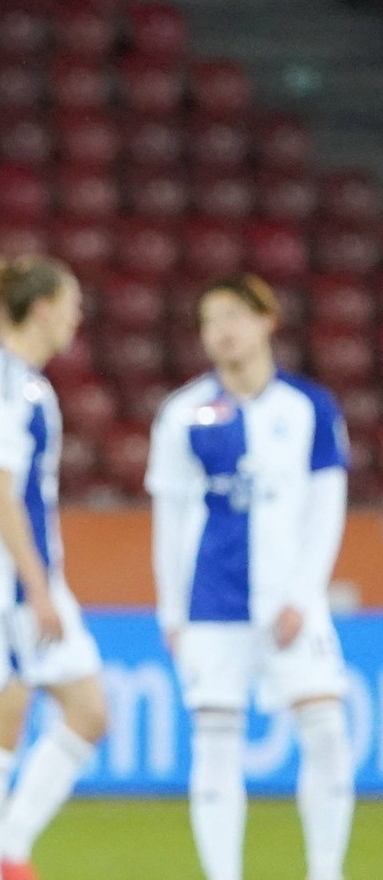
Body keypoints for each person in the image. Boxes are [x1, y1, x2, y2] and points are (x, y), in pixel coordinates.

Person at [147, 274, 353, 880]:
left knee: (327, 732)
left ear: (268, 320)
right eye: (210, 321)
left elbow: (326, 508)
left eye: (234, 315)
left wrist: (304, 596)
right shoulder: (183, 413)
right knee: (214, 741)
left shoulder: (310, 407)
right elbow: (170, 517)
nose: (222, 331)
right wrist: (170, 611)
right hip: (212, 603)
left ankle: (325, 870)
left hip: (292, 604)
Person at [0, 255, 108, 880]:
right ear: (42, 307)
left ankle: (9, 845)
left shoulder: (27, 382)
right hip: (0, 582)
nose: (78, 316)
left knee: (90, 711)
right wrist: (38, 587)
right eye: (71, 303)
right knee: (1, 723)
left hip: (33, 582)